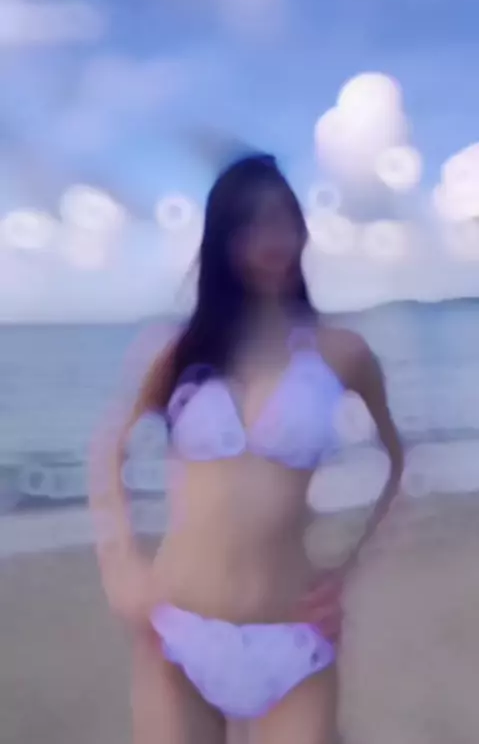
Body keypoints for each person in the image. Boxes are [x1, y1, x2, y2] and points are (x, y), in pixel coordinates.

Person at [89, 154, 404, 744]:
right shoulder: (177, 350)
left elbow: (396, 461)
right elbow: (109, 449)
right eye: (251, 223)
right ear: (223, 240)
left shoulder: (342, 352)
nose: (271, 238)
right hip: (178, 634)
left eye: (283, 218)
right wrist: (121, 563)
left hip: (295, 640)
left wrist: (349, 565)